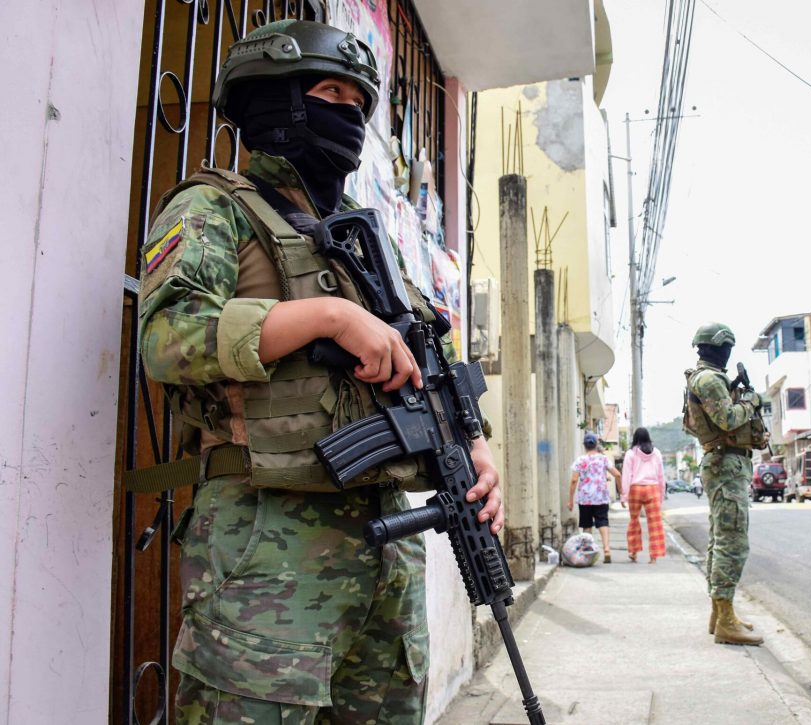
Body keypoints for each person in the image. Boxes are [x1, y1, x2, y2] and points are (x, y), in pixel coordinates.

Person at [132, 20, 502, 723]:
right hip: (266, 550)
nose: (352, 115)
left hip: (387, 550)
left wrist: (473, 444)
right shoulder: (214, 208)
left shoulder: (371, 246)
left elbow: (430, 360)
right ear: (280, 101)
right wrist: (328, 317)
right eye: (332, 92)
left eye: (360, 103)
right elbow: (167, 337)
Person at [682, 322, 769, 646]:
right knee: (732, 542)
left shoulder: (705, 378)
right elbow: (728, 420)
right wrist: (752, 402)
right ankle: (725, 620)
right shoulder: (709, 379)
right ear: (723, 348)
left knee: (721, 538)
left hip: (725, 463)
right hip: (725, 463)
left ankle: (720, 614)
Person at [567, 431, 621, 563]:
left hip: (585, 499)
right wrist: (622, 491)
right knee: (603, 522)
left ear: (584, 446)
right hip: (601, 497)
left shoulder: (580, 460)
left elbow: (574, 480)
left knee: (587, 525)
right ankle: (607, 549)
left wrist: (570, 500)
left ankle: (587, 553)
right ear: (596, 444)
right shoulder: (603, 459)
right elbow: (617, 474)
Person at [620, 427, 667, 563]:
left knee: (634, 520)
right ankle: (653, 557)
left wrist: (624, 495)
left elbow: (626, 475)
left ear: (635, 438)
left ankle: (633, 552)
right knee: (655, 524)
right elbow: (661, 476)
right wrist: (661, 494)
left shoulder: (630, 453)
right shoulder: (657, 453)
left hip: (635, 489)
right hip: (653, 489)